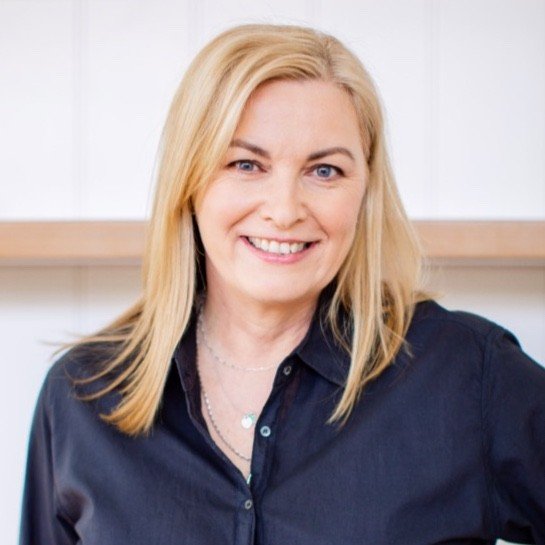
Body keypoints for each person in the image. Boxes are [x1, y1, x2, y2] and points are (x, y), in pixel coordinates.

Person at [20, 24, 545, 545]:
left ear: (365, 190)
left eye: (325, 171)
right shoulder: (83, 395)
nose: (285, 210)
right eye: (246, 164)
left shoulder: (467, 373)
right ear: (189, 181)